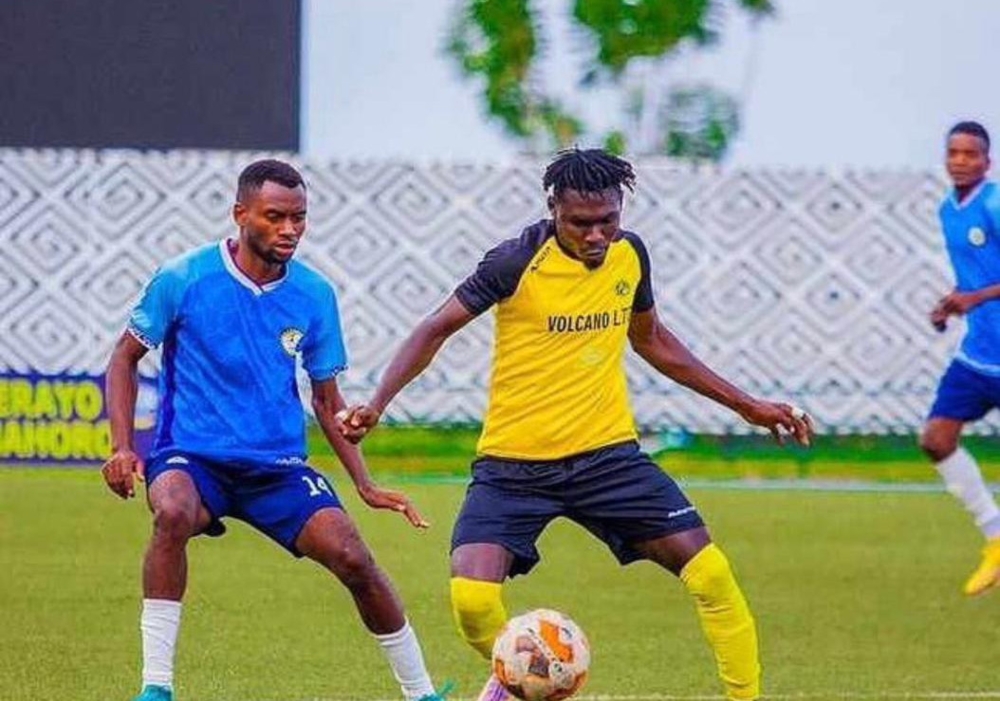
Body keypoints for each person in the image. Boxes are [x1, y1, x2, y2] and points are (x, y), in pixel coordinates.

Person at [339, 148, 813, 701]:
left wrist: (747, 405)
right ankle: (523, 678)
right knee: (472, 604)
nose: (596, 236)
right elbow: (434, 329)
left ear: (621, 210)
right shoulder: (514, 262)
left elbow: (652, 339)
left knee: (710, 573)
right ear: (553, 209)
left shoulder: (630, 255)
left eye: (608, 221)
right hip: (513, 465)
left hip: (608, 457)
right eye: (580, 223)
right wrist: (379, 402)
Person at [101, 159, 448, 701]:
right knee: (171, 512)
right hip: (193, 458)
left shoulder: (313, 295)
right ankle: (156, 688)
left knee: (354, 557)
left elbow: (327, 399)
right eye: (275, 216)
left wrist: (365, 484)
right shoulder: (184, 278)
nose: (289, 229)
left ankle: (421, 693)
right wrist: (122, 447)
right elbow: (124, 359)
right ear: (241, 214)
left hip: (277, 468)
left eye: (299, 218)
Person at [921, 121, 1000, 596]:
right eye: (954, 152)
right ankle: (995, 537)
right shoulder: (948, 210)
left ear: (987, 161)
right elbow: (975, 277)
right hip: (978, 356)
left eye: (972, 154)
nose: (961, 160)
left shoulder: (993, 204)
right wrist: (952, 302)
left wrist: (975, 299)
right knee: (936, 439)